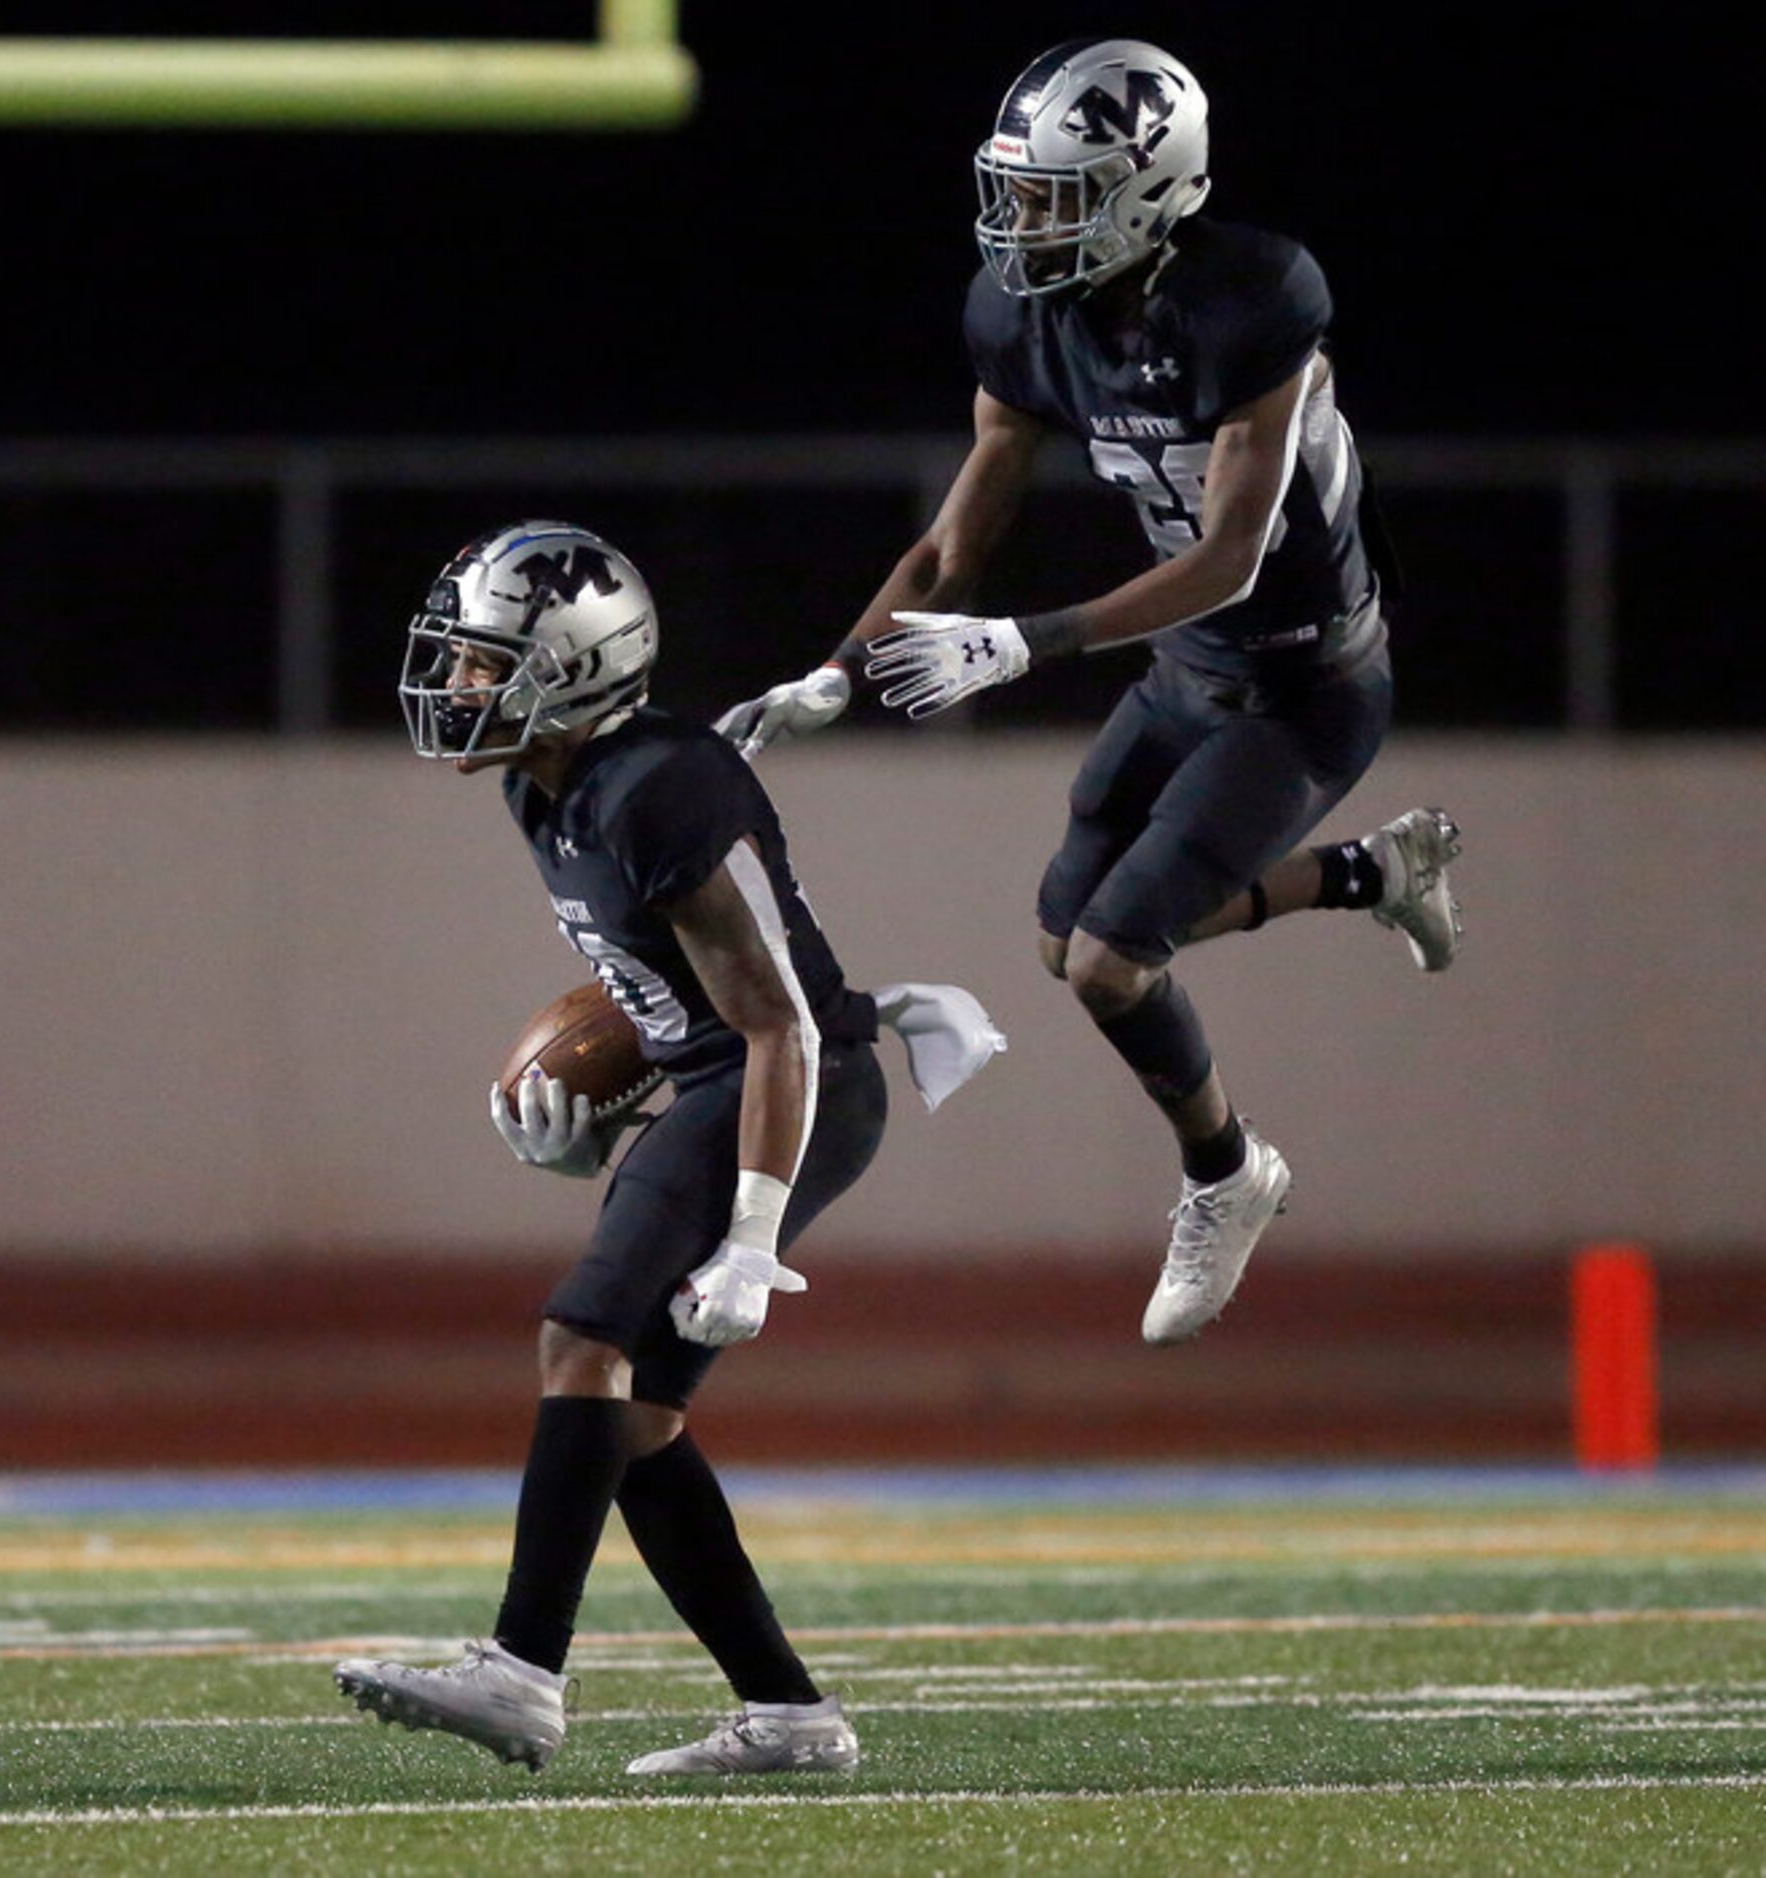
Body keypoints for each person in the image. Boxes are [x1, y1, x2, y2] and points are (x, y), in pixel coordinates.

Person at [715, 40, 1463, 1346]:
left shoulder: (1250, 298)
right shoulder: (1021, 318)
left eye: (1055, 195)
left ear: (1147, 189)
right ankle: (1368, 875)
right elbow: (954, 538)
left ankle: (1226, 1172)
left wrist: (1025, 641)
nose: (1022, 224)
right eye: (1015, 191)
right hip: (1188, 673)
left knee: (1116, 959)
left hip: (1303, 678)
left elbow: (1230, 557)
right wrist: (831, 671)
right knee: (1065, 938)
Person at [335, 522, 1003, 1776]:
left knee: (579, 1342)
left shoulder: (657, 787)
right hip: (722, 1078)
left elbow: (776, 1021)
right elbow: (670, 996)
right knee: (630, 1420)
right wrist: (585, 1118)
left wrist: (750, 1236)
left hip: (786, 1084)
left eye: (482, 663)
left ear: (572, 666)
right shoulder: (544, 784)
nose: (454, 686)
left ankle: (520, 1671)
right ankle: (790, 1715)